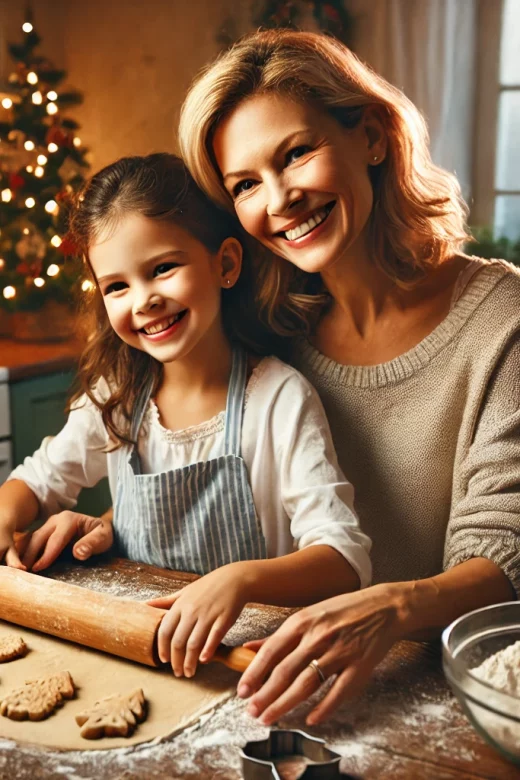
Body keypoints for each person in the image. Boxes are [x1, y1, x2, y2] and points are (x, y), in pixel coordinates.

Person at [178, 29, 520, 724]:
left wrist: (390, 607)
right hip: (269, 693)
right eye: (246, 184)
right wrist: (100, 521)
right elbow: (206, 478)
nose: (279, 200)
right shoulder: (265, 335)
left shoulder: (502, 320)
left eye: (296, 154)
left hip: (440, 707)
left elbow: (504, 555)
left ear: (370, 136)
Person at [0, 153, 372, 679]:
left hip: (250, 666)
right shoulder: (117, 398)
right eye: (117, 286)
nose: (144, 300)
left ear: (224, 264)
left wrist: (239, 581)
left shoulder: (279, 400)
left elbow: (343, 558)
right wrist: (7, 513)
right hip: (139, 658)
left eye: (162, 269)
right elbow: (36, 482)